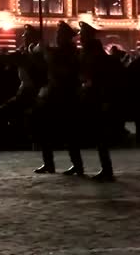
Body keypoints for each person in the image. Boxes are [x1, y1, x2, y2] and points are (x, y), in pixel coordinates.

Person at [34, 21, 82, 175]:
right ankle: (49, 163)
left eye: (59, 34)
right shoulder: (60, 51)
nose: (57, 36)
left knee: (69, 133)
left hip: (65, 95)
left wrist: (48, 54)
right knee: (45, 130)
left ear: (65, 37)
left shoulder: (69, 52)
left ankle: (76, 164)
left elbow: (62, 70)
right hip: (55, 94)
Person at [77, 21, 115, 181]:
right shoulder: (88, 52)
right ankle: (101, 168)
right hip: (89, 95)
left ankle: (106, 169)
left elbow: (101, 77)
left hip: (96, 97)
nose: (80, 38)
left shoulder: (95, 54)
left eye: (82, 35)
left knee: (100, 135)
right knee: (94, 134)